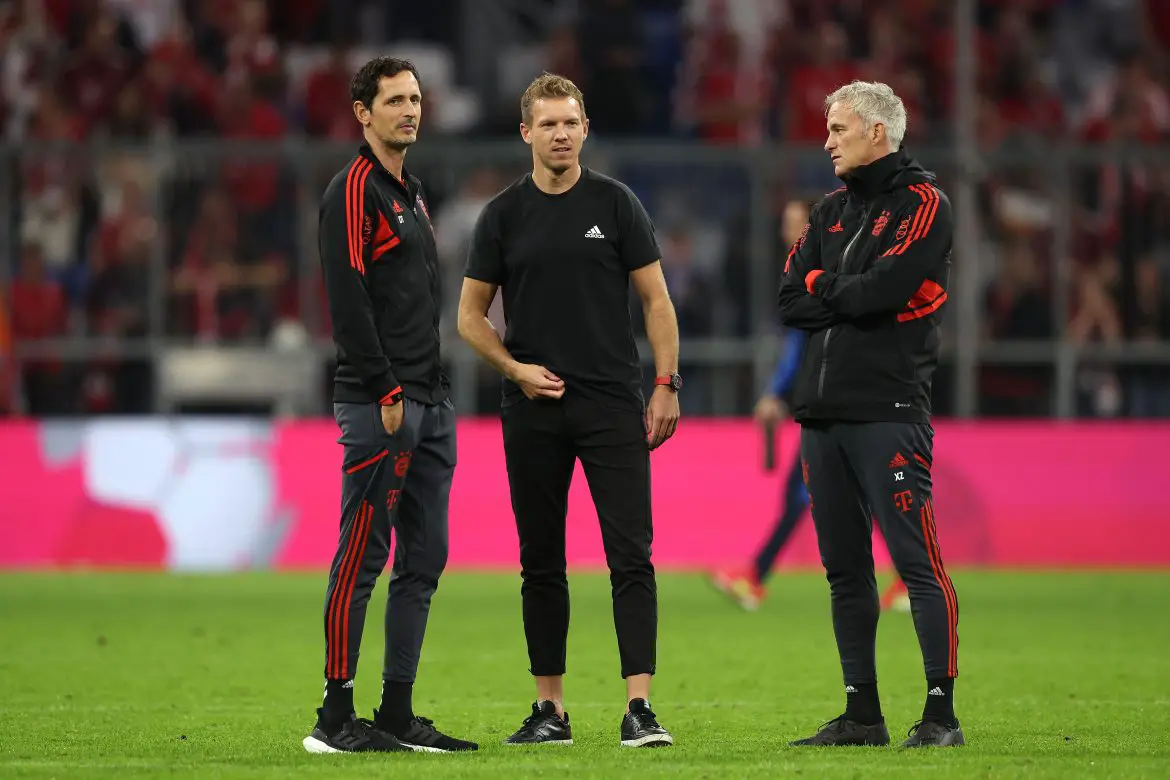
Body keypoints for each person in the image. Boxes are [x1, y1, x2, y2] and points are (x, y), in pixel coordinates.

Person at [457, 72, 680, 748]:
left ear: (585, 129)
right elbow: (468, 317)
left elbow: (657, 302)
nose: (561, 133)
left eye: (571, 122)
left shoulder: (616, 205)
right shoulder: (502, 215)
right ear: (526, 131)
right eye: (548, 123)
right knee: (540, 562)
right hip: (532, 410)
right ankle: (549, 710)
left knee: (630, 556)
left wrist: (666, 382)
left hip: (613, 404)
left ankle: (639, 708)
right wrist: (514, 369)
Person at [778, 81, 963, 749]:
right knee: (845, 571)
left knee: (917, 562)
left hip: (889, 408)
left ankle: (941, 715)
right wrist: (844, 294)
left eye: (838, 129)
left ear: (877, 133)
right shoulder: (829, 212)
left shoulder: (923, 204)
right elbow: (786, 301)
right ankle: (863, 715)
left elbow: (884, 291)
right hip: (822, 417)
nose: (826, 141)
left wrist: (826, 285)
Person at [304, 56, 477, 754]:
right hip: (385, 403)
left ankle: (397, 711)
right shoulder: (352, 191)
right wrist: (384, 389)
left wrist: (422, 392)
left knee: (424, 558)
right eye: (394, 100)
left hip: (429, 400)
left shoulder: (413, 189)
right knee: (362, 555)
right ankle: (334, 716)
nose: (410, 110)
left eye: (415, 98)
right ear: (361, 112)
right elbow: (346, 302)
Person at [711, 201, 909, 614]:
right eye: (785, 225)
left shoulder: (818, 273)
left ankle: (755, 579)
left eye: (795, 224)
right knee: (843, 491)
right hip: (838, 397)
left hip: (837, 400)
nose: (788, 232)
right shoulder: (825, 268)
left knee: (809, 492)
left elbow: (803, 343)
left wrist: (775, 394)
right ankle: (909, 579)